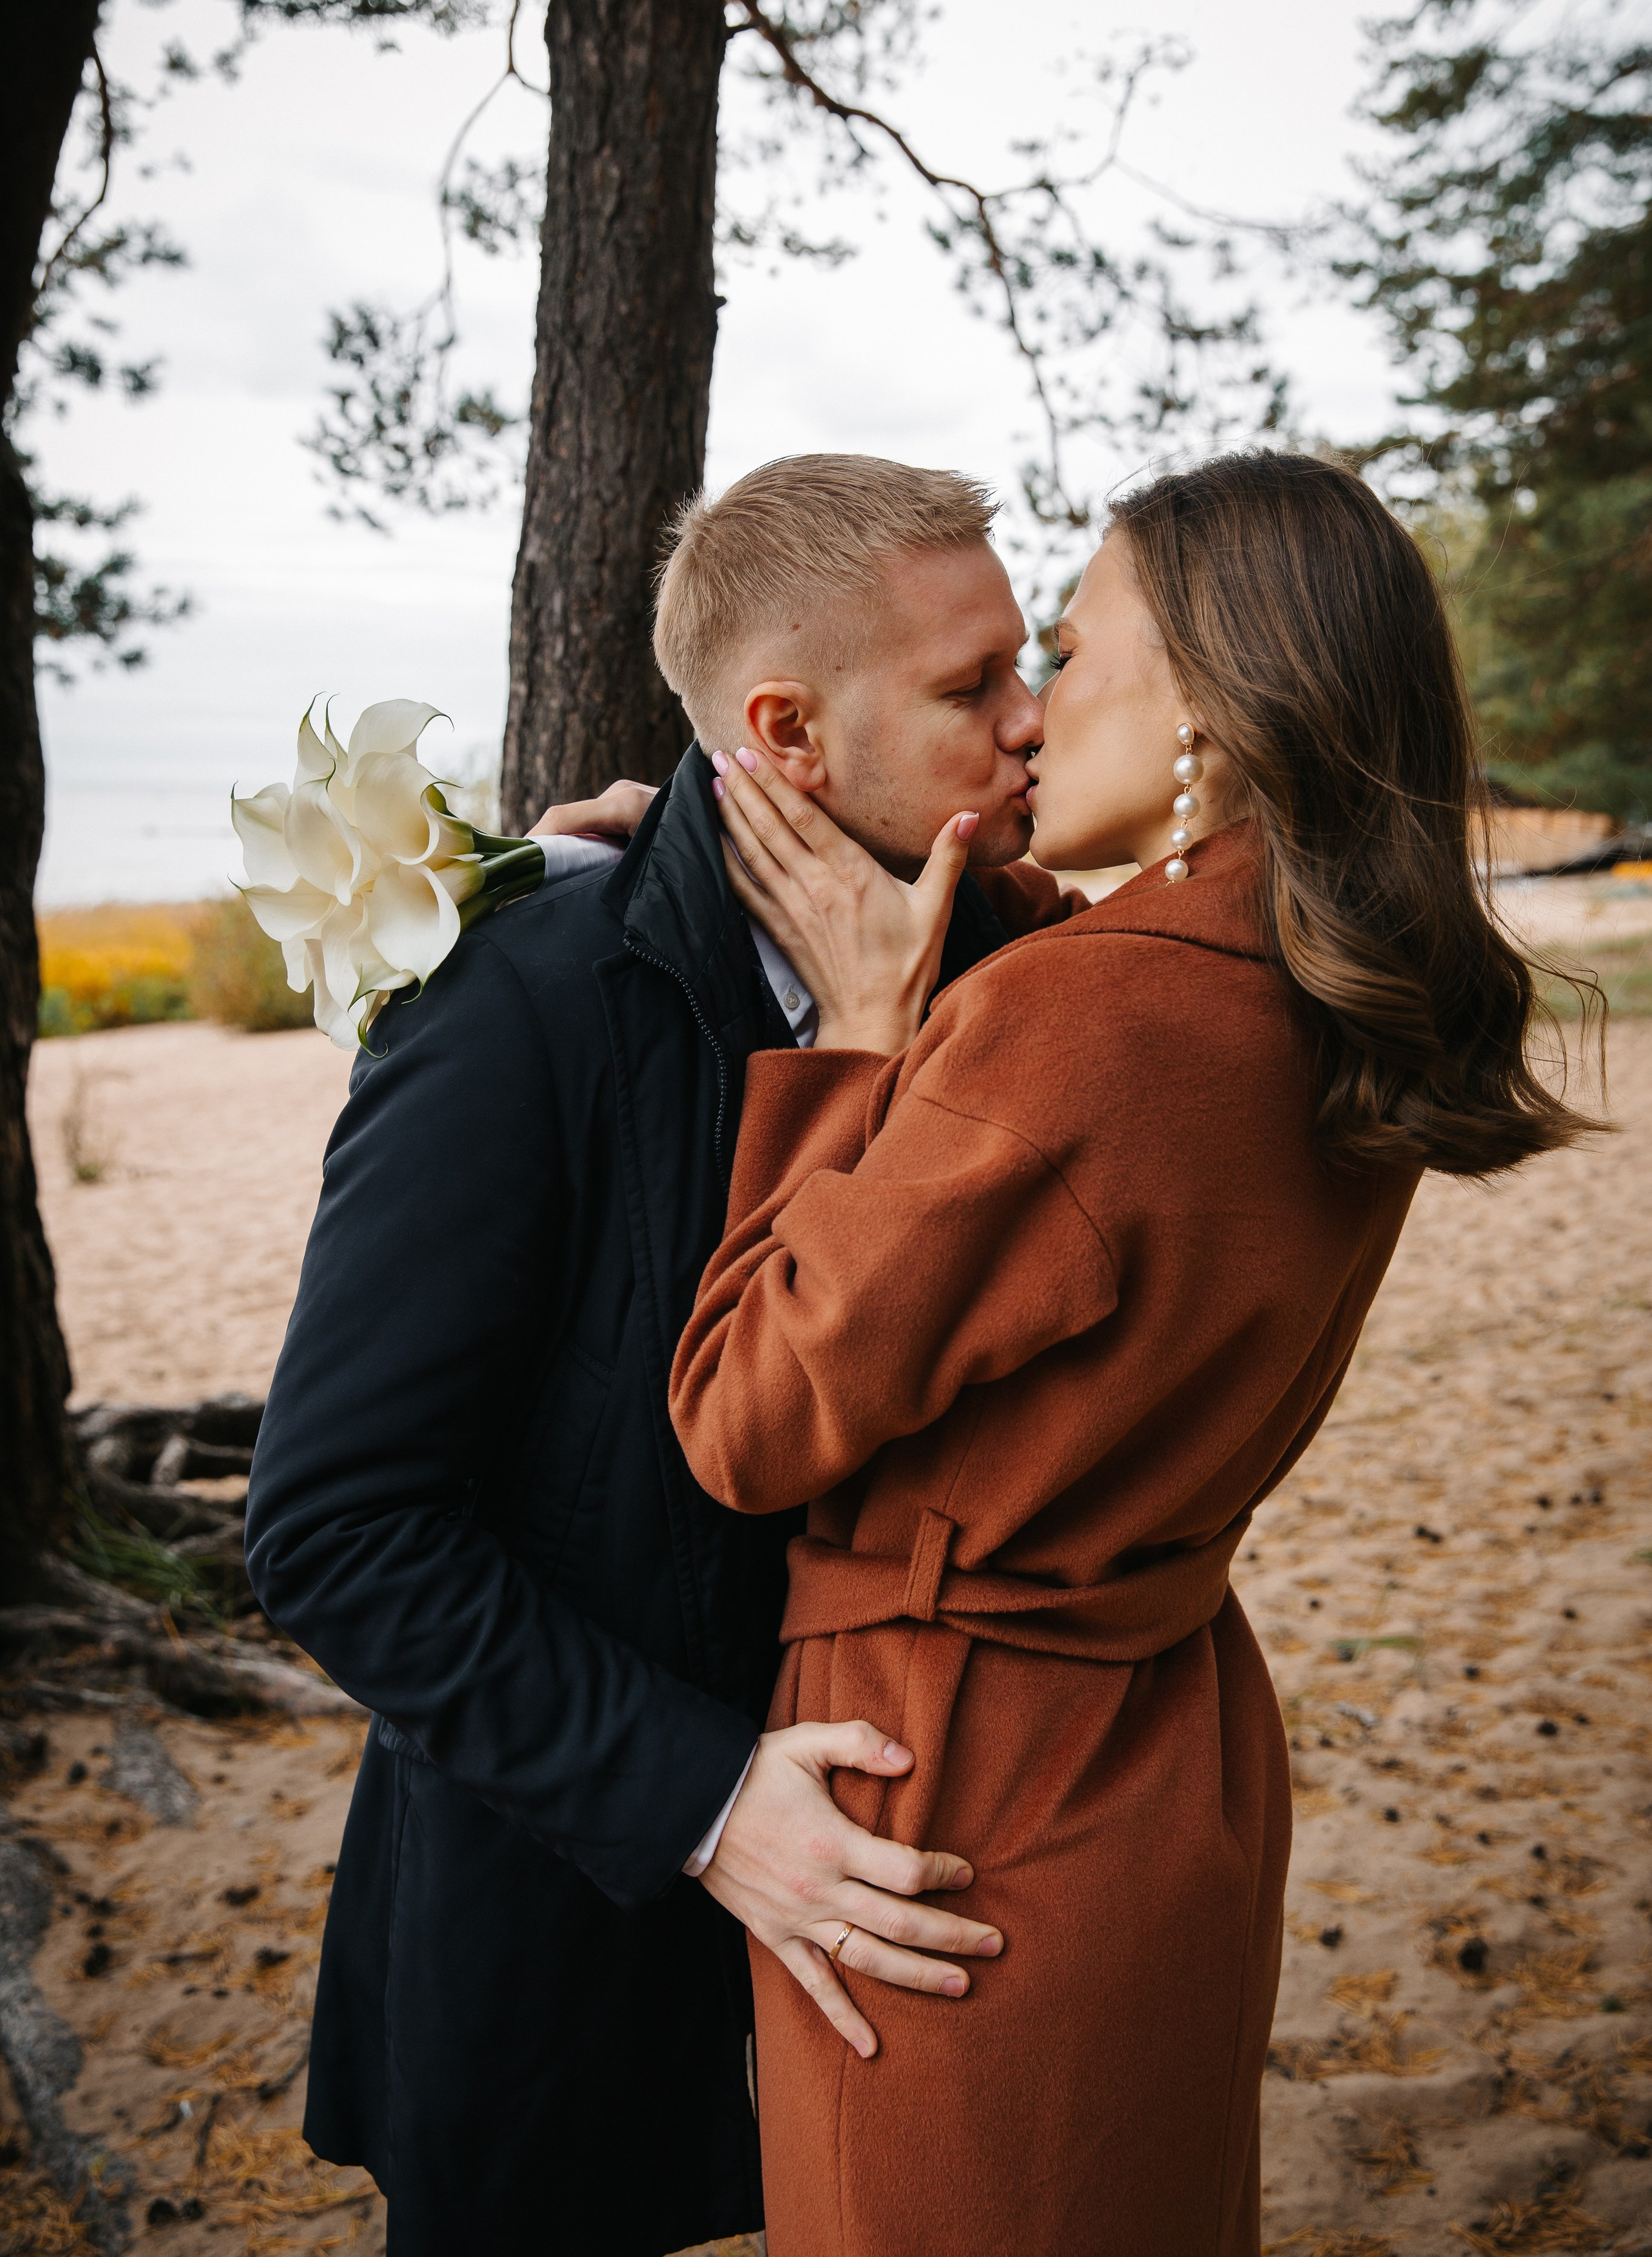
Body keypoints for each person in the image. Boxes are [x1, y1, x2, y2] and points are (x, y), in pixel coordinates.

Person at [669, 450, 1597, 2257]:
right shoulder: (1330, 995)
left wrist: (854, 1048)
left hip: (952, 1790)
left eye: (1070, 657)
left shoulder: (1083, 1025)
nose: (1028, 718)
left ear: (1217, 709)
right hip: (1173, 1750)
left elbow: (742, 1415)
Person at [243, 455, 1087, 2256]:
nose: (1034, 725)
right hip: (569, 1932)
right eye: (971, 691)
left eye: (1035, 666)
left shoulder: (1037, 973)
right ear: (785, 730)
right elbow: (337, 1528)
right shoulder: (520, 1001)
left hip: (935, 1914)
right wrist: (706, 1806)